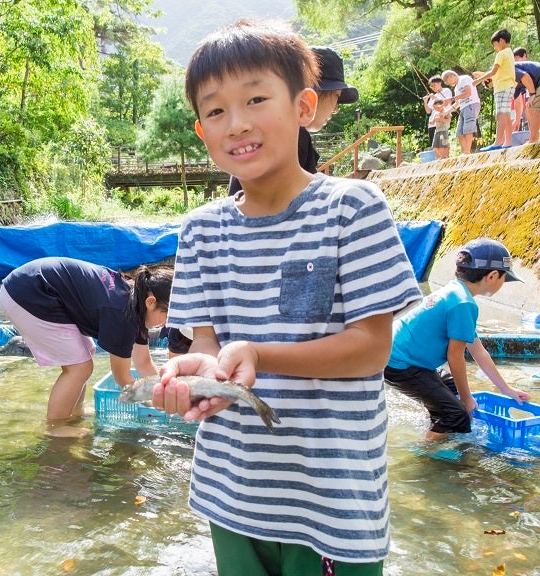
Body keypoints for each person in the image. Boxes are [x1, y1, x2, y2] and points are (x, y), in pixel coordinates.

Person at [150, 19, 422, 575]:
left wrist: (261, 354)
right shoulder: (199, 229)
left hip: (332, 505)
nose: (238, 123)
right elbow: (207, 348)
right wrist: (189, 378)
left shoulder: (353, 207)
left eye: (256, 99)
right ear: (201, 130)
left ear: (302, 107)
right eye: (216, 110)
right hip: (232, 492)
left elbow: (371, 349)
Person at [0, 257, 172, 435]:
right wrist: (154, 402)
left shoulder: (135, 303)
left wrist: (164, 391)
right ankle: (55, 427)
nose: (168, 323)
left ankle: (75, 411)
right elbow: (121, 377)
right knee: (80, 367)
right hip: (29, 291)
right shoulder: (122, 314)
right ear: (150, 302)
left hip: (32, 286)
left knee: (86, 354)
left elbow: (143, 362)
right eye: (168, 315)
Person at [384, 238, 530, 442]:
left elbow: (478, 350)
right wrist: (468, 400)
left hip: (398, 357)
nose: (503, 283)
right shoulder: (463, 303)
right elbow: (455, 357)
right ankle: (424, 454)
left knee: (452, 395)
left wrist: (506, 389)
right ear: (493, 275)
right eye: (504, 278)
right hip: (402, 364)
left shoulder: (455, 291)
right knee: (457, 415)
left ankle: (437, 427)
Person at [227, 45, 358, 195]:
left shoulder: (274, 130)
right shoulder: (293, 137)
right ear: (311, 97)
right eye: (336, 97)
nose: (335, 109)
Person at [473, 28, 517, 150]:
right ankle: (507, 142)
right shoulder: (509, 53)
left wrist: (478, 80)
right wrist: (482, 76)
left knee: (500, 114)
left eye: (495, 44)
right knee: (506, 114)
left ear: (501, 41)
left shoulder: (501, 54)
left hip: (503, 87)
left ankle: (498, 142)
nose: (494, 47)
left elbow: (493, 71)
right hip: (507, 86)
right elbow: (497, 73)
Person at [442, 69, 482, 154]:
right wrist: (445, 112)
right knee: (459, 132)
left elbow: (468, 93)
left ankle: (467, 152)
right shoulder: (456, 88)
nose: (447, 84)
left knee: (468, 129)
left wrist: (452, 98)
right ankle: (465, 151)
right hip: (463, 108)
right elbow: (457, 104)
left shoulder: (464, 79)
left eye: (446, 81)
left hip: (471, 104)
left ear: (450, 76)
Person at [423, 75, 453, 148]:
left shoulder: (446, 91)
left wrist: (435, 98)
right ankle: (438, 157)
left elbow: (445, 103)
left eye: (434, 85)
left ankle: (446, 156)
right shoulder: (434, 95)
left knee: (443, 142)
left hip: (442, 120)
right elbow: (428, 111)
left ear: (439, 83)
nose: (433, 88)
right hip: (432, 123)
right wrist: (425, 102)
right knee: (435, 145)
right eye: (431, 86)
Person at [514, 60, 540, 143]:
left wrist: (532, 94)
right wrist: (517, 120)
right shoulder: (510, 84)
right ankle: (533, 138)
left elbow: (525, 76)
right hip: (537, 84)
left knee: (533, 108)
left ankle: (533, 140)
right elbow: (517, 102)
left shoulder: (508, 69)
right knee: (528, 110)